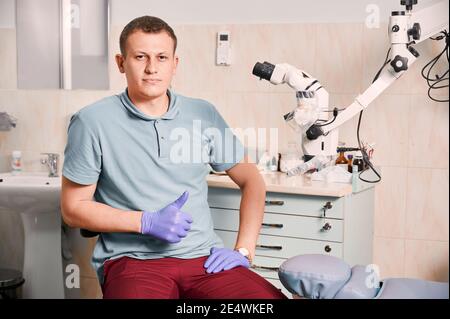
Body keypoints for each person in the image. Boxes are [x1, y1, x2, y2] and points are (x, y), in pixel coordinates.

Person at [61, 15, 287, 299]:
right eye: (140, 56)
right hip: (132, 261)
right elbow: (73, 209)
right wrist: (145, 222)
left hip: (205, 259)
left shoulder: (203, 114)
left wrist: (244, 249)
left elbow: (252, 181)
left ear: (174, 64)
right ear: (121, 63)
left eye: (162, 57)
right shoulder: (91, 122)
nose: (152, 68)